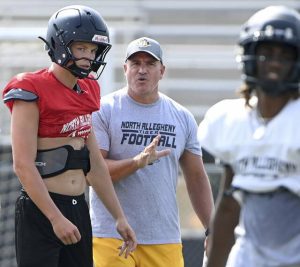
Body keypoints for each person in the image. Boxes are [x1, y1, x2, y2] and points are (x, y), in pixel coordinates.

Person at [2, 5, 137, 267]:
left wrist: (119, 216)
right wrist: (54, 218)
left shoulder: (87, 88)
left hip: (77, 208)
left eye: (93, 50)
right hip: (41, 210)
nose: (89, 56)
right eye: (82, 48)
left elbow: (94, 163)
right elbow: (23, 165)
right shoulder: (31, 88)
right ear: (60, 44)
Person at [90, 36, 214, 267]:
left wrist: (211, 228)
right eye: (135, 63)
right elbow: (94, 172)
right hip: (111, 235)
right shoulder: (103, 110)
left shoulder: (182, 116)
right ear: (125, 68)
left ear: (162, 70)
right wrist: (137, 162)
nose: (142, 70)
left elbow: (196, 177)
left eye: (150, 63)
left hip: (163, 237)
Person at [198, 5, 300, 267]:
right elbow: (230, 203)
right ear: (250, 56)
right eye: (266, 53)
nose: (275, 63)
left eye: (284, 55)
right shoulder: (232, 119)